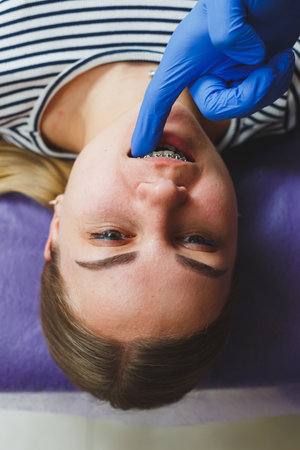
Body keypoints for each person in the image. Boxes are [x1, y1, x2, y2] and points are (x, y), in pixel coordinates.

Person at [0, 1, 299, 411]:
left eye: (110, 235)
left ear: (57, 227)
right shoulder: (282, 82)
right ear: (234, 226)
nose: (161, 196)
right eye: (197, 239)